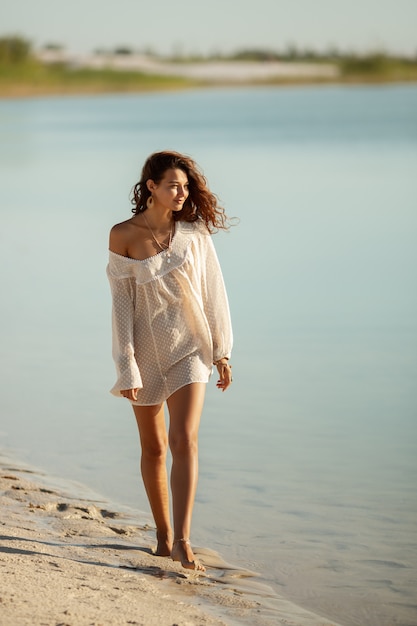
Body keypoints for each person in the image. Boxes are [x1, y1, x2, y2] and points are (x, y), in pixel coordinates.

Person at [107, 151, 233, 572]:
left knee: (184, 439)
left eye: (185, 186)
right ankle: (161, 536)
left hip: (190, 348)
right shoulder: (123, 234)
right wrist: (126, 364)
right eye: (173, 186)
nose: (182, 193)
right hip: (144, 350)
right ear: (151, 188)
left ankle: (183, 539)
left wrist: (222, 350)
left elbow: (214, 291)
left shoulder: (195, 233)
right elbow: (122, 306)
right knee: (155, 447)